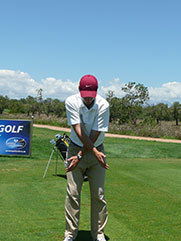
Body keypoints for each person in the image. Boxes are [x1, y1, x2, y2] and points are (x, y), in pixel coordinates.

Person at [63, 74, 110, 241]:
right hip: (75, 149)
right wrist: (81, 153)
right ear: (79, 91)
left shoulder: (103, 104)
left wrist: (88, 153)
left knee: (98, 194)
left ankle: (98, 234)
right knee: (73, 193)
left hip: (96, 149)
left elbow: (96, 132)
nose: (88, 99)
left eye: (91, 96)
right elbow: (78, 129)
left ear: (96, 92)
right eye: (85, 96)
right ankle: (70, 234)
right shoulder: (71, 102)